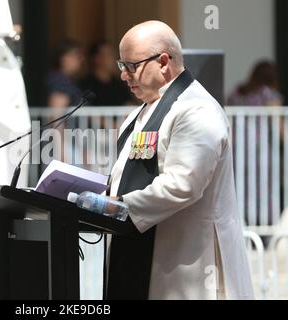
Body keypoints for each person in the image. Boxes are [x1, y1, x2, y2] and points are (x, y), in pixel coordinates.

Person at [106, 20, 254, 299]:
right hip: (145, 252)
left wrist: (116, 208)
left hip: (187, 262)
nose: (124, 76)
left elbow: (183, 184)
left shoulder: (196, 110)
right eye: (121, 66)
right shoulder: (145, 110)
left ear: (163, 62)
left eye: (130, 66)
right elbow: (121, 176)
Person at [80, 40, 134, 106]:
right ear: (96, 58)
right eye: (109, 54)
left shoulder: (119, 85)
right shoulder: (85, 85)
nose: (114, 58)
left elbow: (128, 105)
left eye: (114, 54)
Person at [45, 39, 84, 108]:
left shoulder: (67, 79)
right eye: (76, 55)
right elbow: (57, 114)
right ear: (62, 58)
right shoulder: (59, 81)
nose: (81, 59)